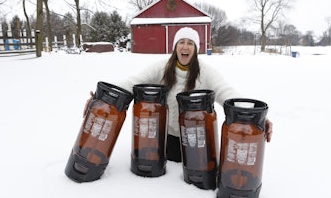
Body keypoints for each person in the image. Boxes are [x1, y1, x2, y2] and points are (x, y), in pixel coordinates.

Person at [83, 27, 273, 162]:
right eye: (181, 42)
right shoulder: (161, 67)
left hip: (196, 142)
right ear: (175, 47)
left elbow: (227, 92)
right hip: (166, 141)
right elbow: (132, 81)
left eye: (190, 43)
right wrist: (100, 99)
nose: (185, 46)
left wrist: (255, 117)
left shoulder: (206, 72)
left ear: (195, 49)